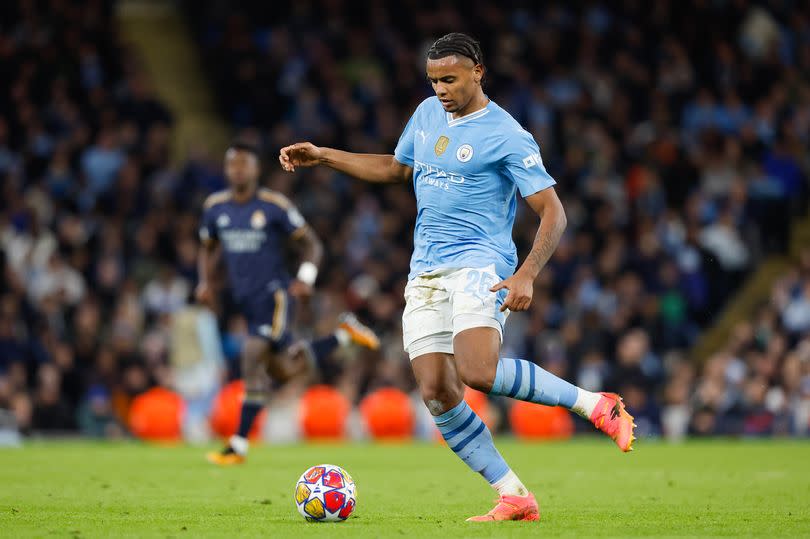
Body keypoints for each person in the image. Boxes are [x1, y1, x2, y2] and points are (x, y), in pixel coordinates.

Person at [279, 33, 635, 521]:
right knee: (437, 391)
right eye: (433, 80)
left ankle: (596, 404)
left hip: (481, 262)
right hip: (425, 268)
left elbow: (553, 212)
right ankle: (514, 495)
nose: (441, 89)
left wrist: (527, 274)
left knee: (478, 371)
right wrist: (323, 155)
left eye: (449, 79)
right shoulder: (427, 114)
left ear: (478, 72)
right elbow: (395, 169)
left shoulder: (507, 134)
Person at [198, 142, 379, 465]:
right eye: (232, 164)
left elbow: (312, 244)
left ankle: (238, 445)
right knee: (282, 368)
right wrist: (205, 283)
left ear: (255, 170)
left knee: (252, 354)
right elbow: (209, 248)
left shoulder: (273, 206)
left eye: (244, 164)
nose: (238, 170)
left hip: (276, 295)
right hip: (244, 299)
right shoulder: (215, 208)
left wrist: (306, 278)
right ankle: (342, 336)